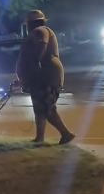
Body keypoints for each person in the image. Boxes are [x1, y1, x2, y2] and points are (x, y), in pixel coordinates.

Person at [16, 10, 75, 145]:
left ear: (31, 23)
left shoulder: (40, 30)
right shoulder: (39, 31)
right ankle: (39, 138)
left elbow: (42, 44)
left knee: (47, 108)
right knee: (40, 109)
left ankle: (66, 134)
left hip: (47, 76)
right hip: (40, 77)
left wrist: (36, 62)